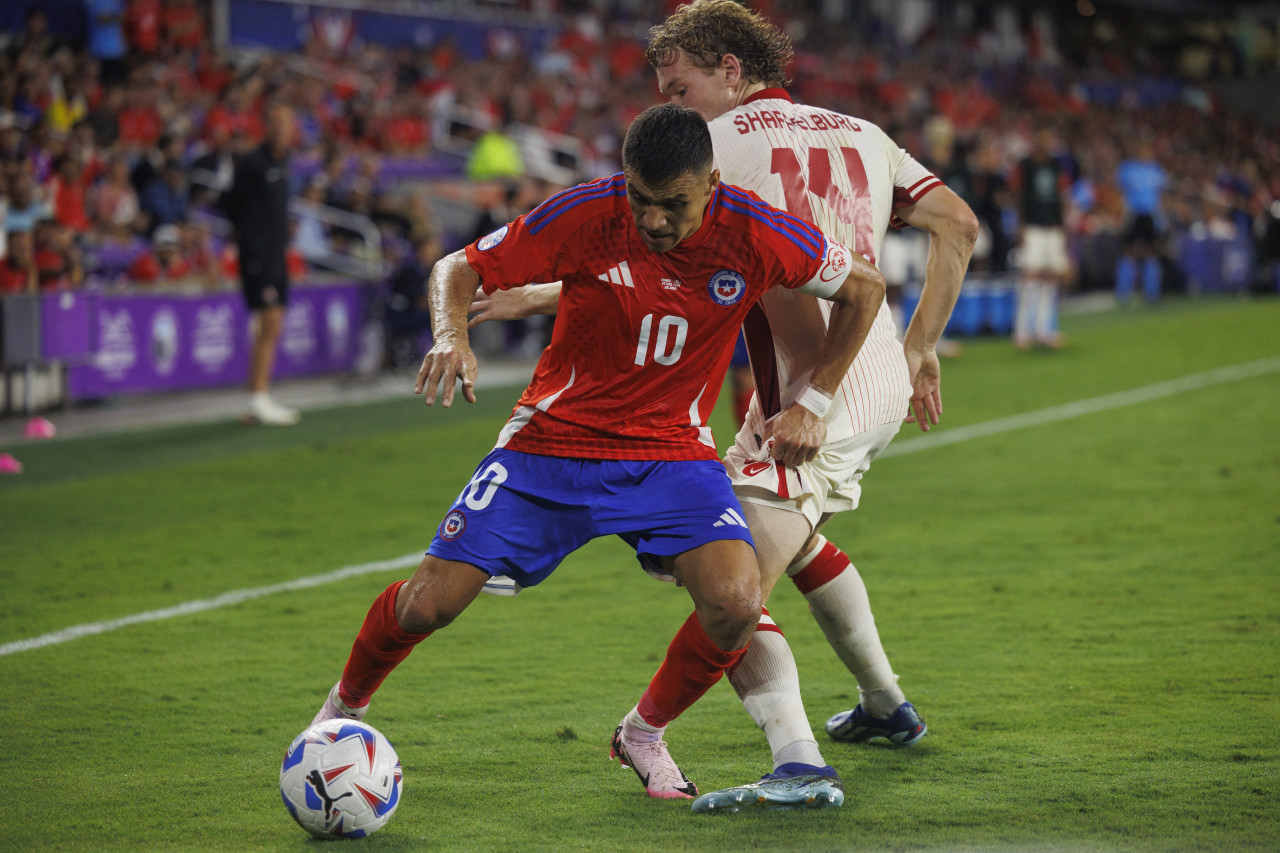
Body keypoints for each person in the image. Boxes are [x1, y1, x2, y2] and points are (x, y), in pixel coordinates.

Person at [469, 0, 978, 812]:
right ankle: (885, 706)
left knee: (727, 583)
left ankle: (792, 761)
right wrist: (919, 347)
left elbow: (632, 242)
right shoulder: (861, 133)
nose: (672, 110)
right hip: (867, 369)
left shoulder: (716, 152)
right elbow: (958, 222)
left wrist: (532, 290)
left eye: (680, 89)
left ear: (730, 72)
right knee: (789, 544)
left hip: (819, 390)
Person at [309, 103, 888, 812]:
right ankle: (339, 711)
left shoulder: (757, 232)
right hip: (552, 443)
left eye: (672, 204)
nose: (652, 220)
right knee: (430, 603)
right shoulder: (586, 213)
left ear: (710, 183)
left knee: (736, 601)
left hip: (671, 452)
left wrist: (816, 403)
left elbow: (864, 289)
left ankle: (643, 733)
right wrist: (450, 336)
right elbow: (458, 268)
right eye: (641, 200)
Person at [222, 102, 298, 426]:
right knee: (267, 323)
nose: (283, 131)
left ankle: (260, 395)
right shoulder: (252, 163)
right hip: (259, 256)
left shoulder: (283, 163)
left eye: (287, 124)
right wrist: (252, 244)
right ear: (266, 126)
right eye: (277, 124)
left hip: (277, 254)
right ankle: (257, 396)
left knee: (274, 324)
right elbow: (231, 205)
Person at [1012, 128, 1069, 349]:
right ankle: (1022, 332)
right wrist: (1020, 226)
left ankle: (1045, 330)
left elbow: (1061, 196)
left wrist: (1064, 228)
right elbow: (1018, 196)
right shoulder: (1025, 166)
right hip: (1033, 227)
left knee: (1051, 278)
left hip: (1053, 227)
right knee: (1030, 277)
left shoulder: (1056, 166)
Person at [1114, 139, 1168, 303]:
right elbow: (1120, 192)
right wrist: (1120, 215)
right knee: (1128, 250)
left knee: (1152, 250)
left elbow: (1162, 195)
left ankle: (1152, 293)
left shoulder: (1156, 170)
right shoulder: (1127, 168)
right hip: (1133, 213)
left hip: (1151, 214)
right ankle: (1123, 293)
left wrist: (1163, 218)